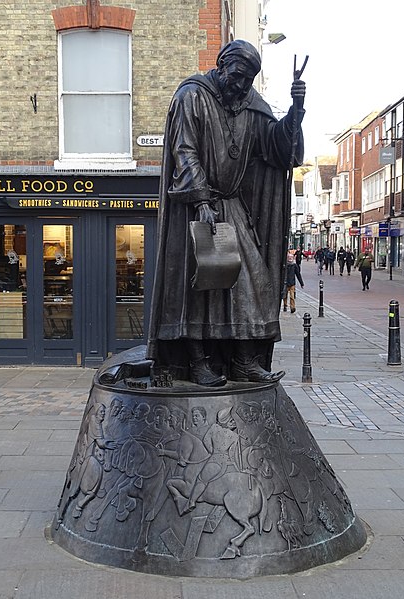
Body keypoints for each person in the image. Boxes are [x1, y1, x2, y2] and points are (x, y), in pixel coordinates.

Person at [146, 40, 306, 387]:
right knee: (195, 288)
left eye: (249, 79)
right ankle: (197, 362)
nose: (242, 85)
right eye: (237, 76)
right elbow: (184, 150)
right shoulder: (192, 95)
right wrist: (202, 200)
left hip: (232, 207)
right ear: (222, 66)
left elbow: (279, 149)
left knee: (256, 283)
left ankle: (244, 361)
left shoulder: (252, 106)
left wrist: (296, 110)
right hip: (193, 206)